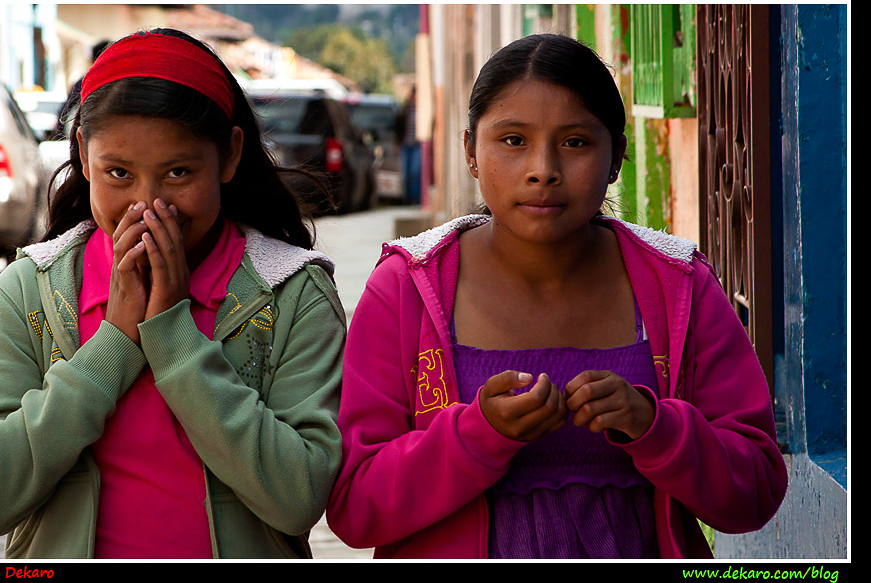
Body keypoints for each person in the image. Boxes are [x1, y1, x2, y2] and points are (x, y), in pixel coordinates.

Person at [325, 33, 787, 559]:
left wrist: (655, 426)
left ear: (617, 158)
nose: (543, 168)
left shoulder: (678, 285)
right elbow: (354, 507)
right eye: (513, 140)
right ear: (472, 152)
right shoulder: (408, 287)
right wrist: (475, 435)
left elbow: (756, 492)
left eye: (575, 142)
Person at [0, 28, 346, 559]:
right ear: (84, 159)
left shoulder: (291, 292)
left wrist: (174, 336)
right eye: (118, 173)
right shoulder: (31, 291)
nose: (148, 204)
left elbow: (299, 498)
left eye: (178, 173)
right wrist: (111, 345)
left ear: (229, 156)